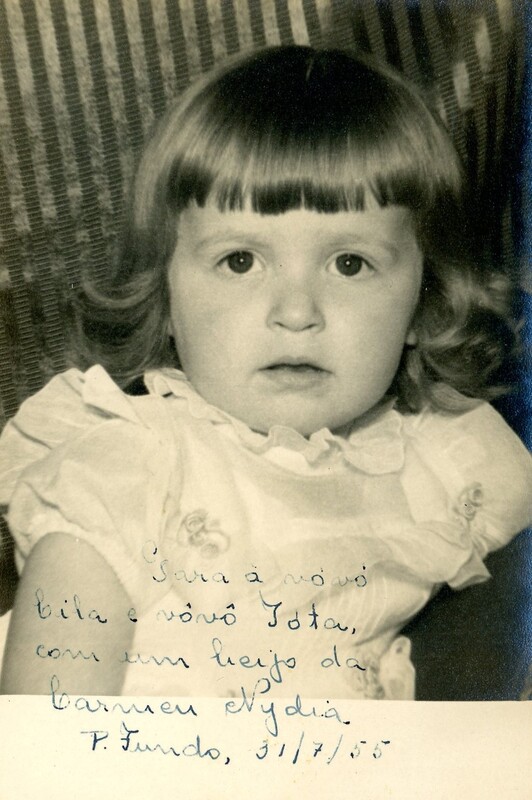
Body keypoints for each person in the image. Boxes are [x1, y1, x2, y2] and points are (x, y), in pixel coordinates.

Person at [0, 46, 530, 699]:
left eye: (350, 264)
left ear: (425, 302)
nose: (297, 313)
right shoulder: (127, 465)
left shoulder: (445, 458)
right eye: (241, 262)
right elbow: (44, 731)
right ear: (165, 297)